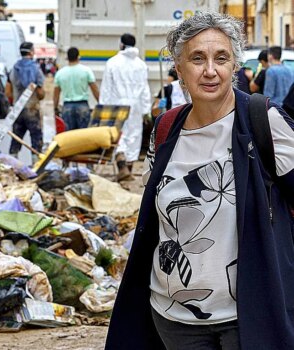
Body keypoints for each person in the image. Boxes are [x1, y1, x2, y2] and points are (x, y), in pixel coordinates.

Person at [105, 12, 294, 350]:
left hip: (249, 316)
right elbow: (155, 214)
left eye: (221, 58)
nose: (210, 70)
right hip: (174, 319)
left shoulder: (263, 122)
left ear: (234, 65)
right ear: (178, 67)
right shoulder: (164, 129)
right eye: (197, 58)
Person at [100, 33, 151, 181]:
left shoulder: (112, 63)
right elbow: (144, 89)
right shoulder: (141, 65)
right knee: (134, 135)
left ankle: (122, 166)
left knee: (118, 135)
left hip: (117, 104)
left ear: (121, 44)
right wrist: (146, 111)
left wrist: (104, 108)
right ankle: (128, 168)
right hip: (136, 106)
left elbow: (106, 88)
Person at [8, 41, 45, 163]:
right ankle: (36, 166)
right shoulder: (36, 69)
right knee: (36, 139)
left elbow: (7, 91)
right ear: (31, 52)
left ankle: (13, 165)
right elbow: (40, 92)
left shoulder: (14, 68)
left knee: (16, 138)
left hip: (18, 109)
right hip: (32, 109)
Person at [53, 47, 99, 130]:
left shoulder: (60, 73)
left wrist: (55, 109)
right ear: (78, 57)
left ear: (67, 58)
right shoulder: (86, 71)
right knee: (83, 136)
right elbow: (94, 89)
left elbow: (56, 94)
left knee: (69, 137)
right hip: (82, 106)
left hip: (67, 107)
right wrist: (100, 102)